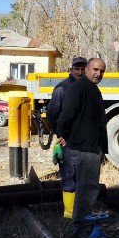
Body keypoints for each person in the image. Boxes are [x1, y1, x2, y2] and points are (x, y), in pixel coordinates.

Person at [56, 58, 107, 236]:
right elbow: (66, 114)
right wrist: (62, 135)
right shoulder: (78, 88)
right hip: (83, 149)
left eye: (101, 71)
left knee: (88, 188)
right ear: (86, 69)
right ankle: (82, 228)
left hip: (91, 147)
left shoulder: (93, 89)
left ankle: (82, 224)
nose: (98, 73)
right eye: (95, 69)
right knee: (87, 188)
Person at [46, 56, 87, 218]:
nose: (80, 71)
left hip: (84, 141)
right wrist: (61, 135)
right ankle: (70, 214)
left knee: (82, 175)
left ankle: (81, 211)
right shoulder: (62, 88)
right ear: (71, 70)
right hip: (68, 141)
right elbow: (52, 114)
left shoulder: (87, 87)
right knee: (69, 175)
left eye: (83, 68)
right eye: (76, 68)